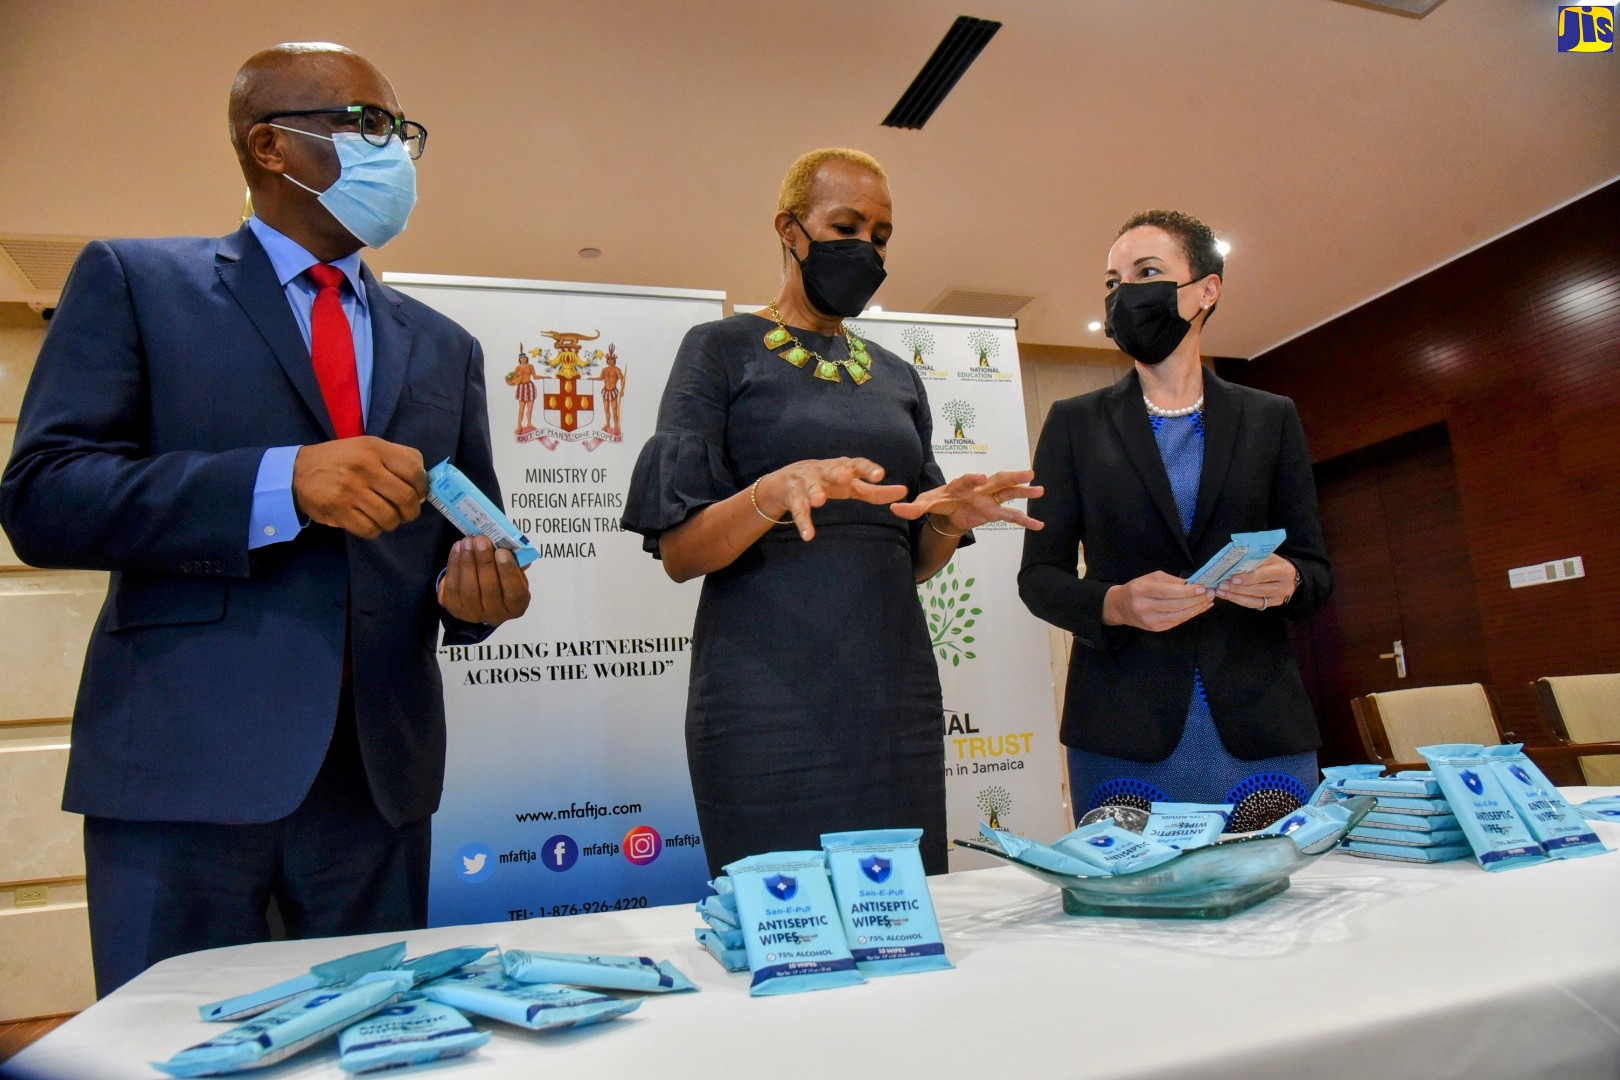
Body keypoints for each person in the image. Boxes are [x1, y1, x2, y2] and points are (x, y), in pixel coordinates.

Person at [0, 42, 530, 996]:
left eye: (401, 132)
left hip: (379, 788)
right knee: (176, 1046)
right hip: (186, 774)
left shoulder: (445, 347)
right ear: (270, 146)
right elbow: (44, 498)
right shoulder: (137, 282)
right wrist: (279, 483)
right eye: (365, 125)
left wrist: (480, 597)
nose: (393, 152)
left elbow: (462, 547)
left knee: (375, 1047)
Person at [622, 148, 1040, 876]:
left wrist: (947, 519)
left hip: (890, 694)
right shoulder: (720, 351)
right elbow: (683, 553)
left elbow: (910, 558)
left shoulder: (898, 377)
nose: (867, 250)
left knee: (900, 923)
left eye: (880, 236)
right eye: (845, 226)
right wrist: (769, 493)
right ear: (789, 228)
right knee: (788, 931)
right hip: (763, 699)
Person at [1018, 210, 1331, 833]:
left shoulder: (1271, 417)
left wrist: (1287, 580)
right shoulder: (1074, 423)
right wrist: (1115, 603)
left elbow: (1317, 570)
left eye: (1148, 272)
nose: (1124, 294)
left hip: (1260, 725)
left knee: (1272, 915)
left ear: (1206, 291)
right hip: (1122, 727)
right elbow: (1040, 578)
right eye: (1113, 282)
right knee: (1134, 909)